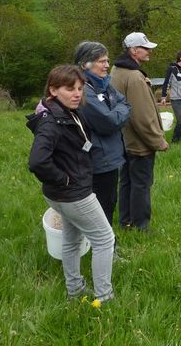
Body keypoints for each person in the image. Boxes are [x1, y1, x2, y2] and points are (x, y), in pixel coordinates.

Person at [27, 65, 115, 302]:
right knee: (104, 239)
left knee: (72, 239)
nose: (77, 93)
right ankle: (105, 297)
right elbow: (37, 161)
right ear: (53, 90)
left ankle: (74, 290)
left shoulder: (67, 111)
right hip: (73, 194)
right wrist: (63, 178)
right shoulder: (51, 121)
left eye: (79, 88)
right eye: (69, 89)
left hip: (61, 194)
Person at [110, 32, 168, 231]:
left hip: (123, 140)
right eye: (145, 48)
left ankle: (126, 221)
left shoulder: (117, 70)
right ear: (134, 51)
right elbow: (141, 116)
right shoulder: (134, 77)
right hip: (138, 143)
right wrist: (157, 140)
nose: (150, 51)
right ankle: (141, 226)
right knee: (141, 184)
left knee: (126, 181)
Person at [75, 41, 131, 226]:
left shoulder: (103, 84)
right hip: (99, 158)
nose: (107, 65)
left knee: (108, 201)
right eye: (101, 61)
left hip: (109, 154)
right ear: (85, 65)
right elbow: (109, 122)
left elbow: (125, 102)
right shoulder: (83, 90)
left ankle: (103, 245)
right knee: (102, 206)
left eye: (107, 60)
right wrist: (120, 110)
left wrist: (119, 108)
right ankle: (106, 248)